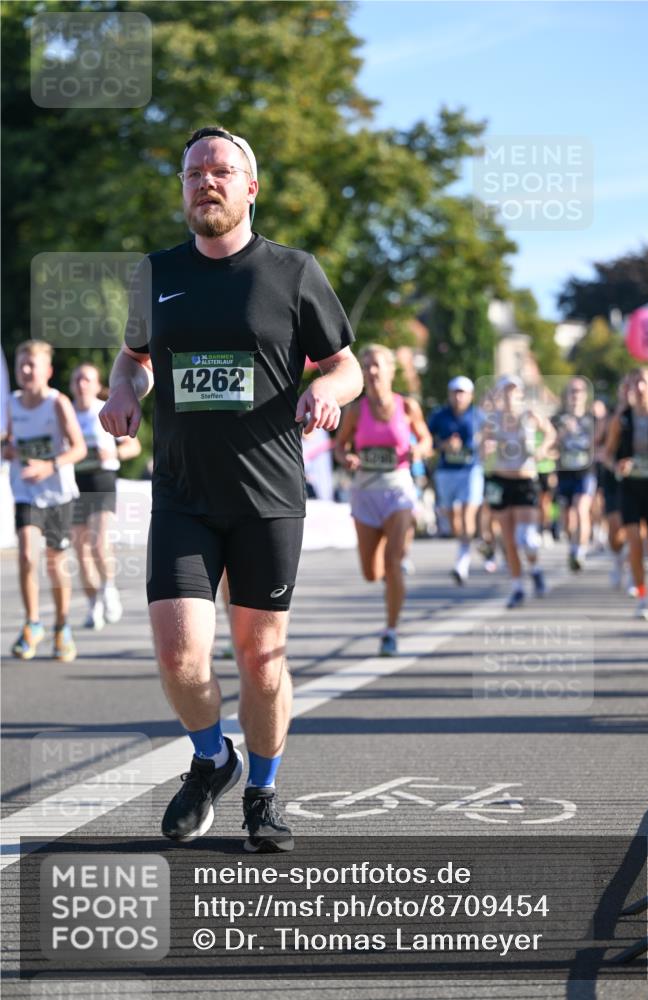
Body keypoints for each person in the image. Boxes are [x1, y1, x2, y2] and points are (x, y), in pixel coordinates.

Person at [100, 125, 362, 852]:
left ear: (251, 187)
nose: (205, 182)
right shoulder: (156, 273)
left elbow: (345, 364)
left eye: (219, 171)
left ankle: (264, 793)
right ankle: (213, 759)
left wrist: (326, 391)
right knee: (179, 656)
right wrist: (123, 392)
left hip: (267, 497)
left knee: (261, 660)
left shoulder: (293, 271)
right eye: (193, 174)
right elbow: (132, 360)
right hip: (183, 494)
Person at [334, 344, 432, 656]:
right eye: (366, 366)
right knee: (371, 573)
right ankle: (393, 571)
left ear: (391, 370)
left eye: (376, 365)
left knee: (392, 564)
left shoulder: (407, 406)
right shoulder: (355, 410)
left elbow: (426, 439)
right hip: (365, 493)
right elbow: (339, 446)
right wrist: (347, 458)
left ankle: (390, 631)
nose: (371, 371)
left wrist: (419, 450)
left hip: (398, 490)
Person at [3, 341, 86, 661]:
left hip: (57, 494)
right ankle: (32, 623)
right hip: (26, 491)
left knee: (55, 562)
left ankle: (62, 627)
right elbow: (9, 441)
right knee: (26, 554)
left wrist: (48, 465)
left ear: (47, 371)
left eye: (31, 365)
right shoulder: (11, 403)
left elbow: (78, 448)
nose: (25, 370)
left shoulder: (58, 403)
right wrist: (8, 450)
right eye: (20, 365)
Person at [70, 363, 141, 629]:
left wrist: (113, 453)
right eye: (77, 379)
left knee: (98, 542)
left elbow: (133, 447)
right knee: (81, 550)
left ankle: (109, 589)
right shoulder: (66, 412)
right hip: (74, 483)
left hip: (102, 480)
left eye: (87, 379)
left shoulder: (105, 409)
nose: (81, 384)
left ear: (97, 384)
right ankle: (93, 605)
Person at [481, 375, 555, 608]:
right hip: (501, 480)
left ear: (520, 394)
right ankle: (517, 587)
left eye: (514, 391)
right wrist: (486, 448)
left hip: (525, 481)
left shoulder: (530, 415)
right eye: (505, 391)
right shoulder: (493, 419)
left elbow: (551, 433)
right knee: (509, 539)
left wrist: (542, 449)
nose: (509, 396)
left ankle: (535, 568)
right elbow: (482, 447)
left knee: (528, 538)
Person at [605, 366, 648, 620]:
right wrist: (617, 466)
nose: (639, 388)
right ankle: (642, 598)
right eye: (635, 383)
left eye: (643, 382)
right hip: (630, 486)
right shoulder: (622, 418)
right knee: (634, 545)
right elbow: (607, 454)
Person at [428, 376, 484, 585]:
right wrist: (443, 445)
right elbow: (427, 439)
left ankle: (462, 562)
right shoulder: (439, 416)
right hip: (446, 471)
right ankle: (471, 544)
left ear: (471, 395)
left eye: (463, 393)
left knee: (468, 514)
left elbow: (492, 438)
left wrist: (485, 445)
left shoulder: (479, 416)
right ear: (449, 395)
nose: (459, 397)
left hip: (471, 470)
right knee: (454, 522)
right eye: (455, 392)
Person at [552, 377, 597, 571]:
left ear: (585, 395)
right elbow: (550, 445)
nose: (575, 395)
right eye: (572, 391)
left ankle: (580, 551)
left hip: (585, 472)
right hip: (564, 472)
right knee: (567, 520)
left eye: (579, 391)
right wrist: (563, 432)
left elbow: (602, 442)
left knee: (581, 510)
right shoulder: (557, 419)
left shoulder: (593, 418)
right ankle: (573, 546)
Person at [600, 377, 632, 589]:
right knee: (614, 529)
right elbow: (601, 448)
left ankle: (632, 571)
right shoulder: (611, 417)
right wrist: (614, 466)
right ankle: (618, 562)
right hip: (613, 477)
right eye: (624, 389)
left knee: (634, 528)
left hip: (638, 479)